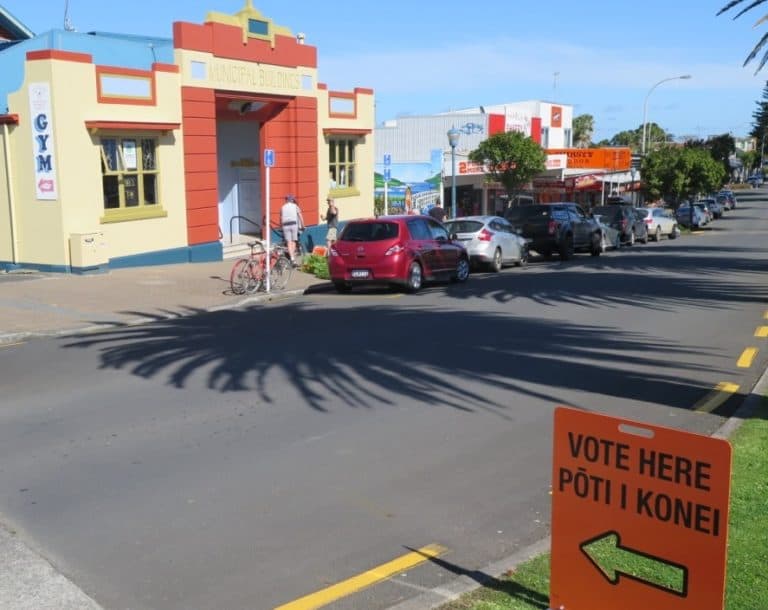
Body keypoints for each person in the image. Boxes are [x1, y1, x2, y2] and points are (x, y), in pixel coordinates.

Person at [280, 195, 305, 266]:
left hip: (285, 225)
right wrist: (303, 225)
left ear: (286, 200)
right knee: (294, 241)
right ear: (292, 200)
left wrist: (280, 226)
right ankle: (292, 259)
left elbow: (281, 218)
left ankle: (292, 258)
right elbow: (300, 216)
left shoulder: (282, 207)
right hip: (293, 225)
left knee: (288, 242)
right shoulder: (295, 206)